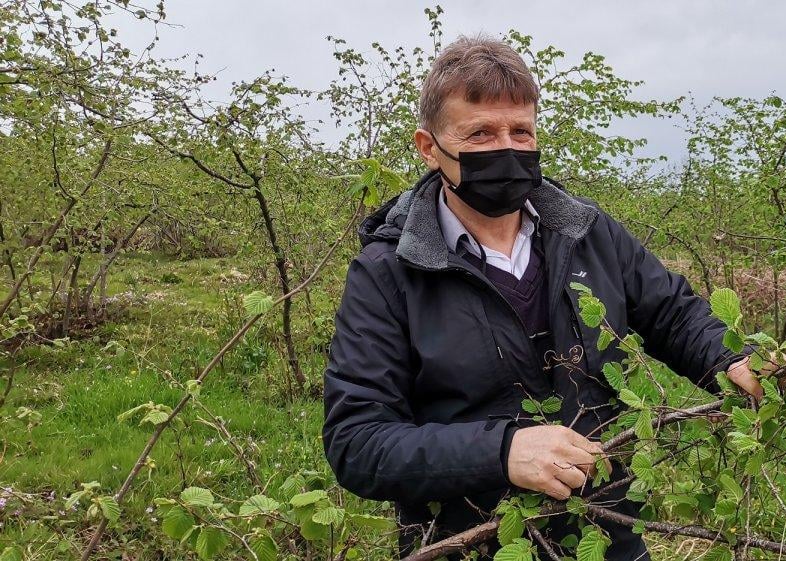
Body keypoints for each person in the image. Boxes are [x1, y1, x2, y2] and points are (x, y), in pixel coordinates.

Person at [321, 34, 762, 560]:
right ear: (428, 147)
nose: (505, 148)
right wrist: (501, 452)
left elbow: (671, 312)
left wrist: (730, 359)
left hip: (605, 530)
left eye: (519, 131)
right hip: (473, 541)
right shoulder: (389, 272)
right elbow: (358, 441)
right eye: (480, 133)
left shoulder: (588, 233)